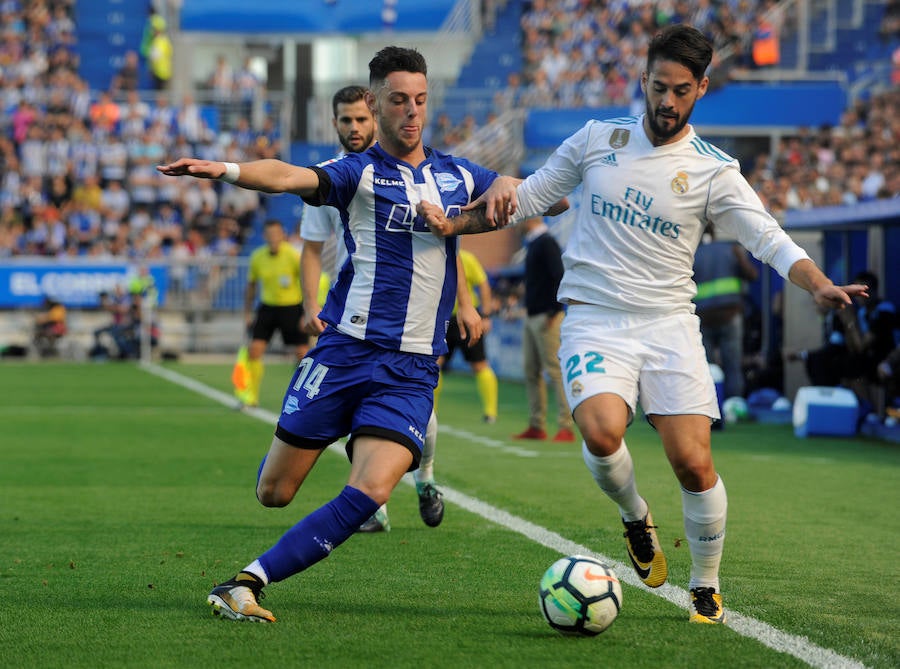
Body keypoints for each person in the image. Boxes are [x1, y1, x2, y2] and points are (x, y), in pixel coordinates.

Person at [418, 24, 868, 625]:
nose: (667, 101)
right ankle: (635, 514)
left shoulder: (713, 169)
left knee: (694, 463)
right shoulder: (596, 139)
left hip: (669, 326)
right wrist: (455, 224)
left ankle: (704, 584)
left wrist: (818, 284)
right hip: (595, 319)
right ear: (643, 80)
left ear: (702, 88)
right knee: (602, 433)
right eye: (659, 86)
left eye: (682, 90)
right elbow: (527, 198)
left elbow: (767, 237)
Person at [157, 45, 492, 623]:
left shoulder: (460, 173)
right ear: (375, 104)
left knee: (373, 489)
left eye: (419, 100)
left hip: (411, 368)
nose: (411, 112)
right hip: (343, 351)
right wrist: (230, 170)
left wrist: (524, 193)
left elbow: (532, 193)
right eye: (397, 101)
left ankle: (245, 583)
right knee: (274, 493)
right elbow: (289, 177)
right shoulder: (357, 171)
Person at [299, 84, 445, 533]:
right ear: (335, 123)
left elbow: (442, 246)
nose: (354, 128)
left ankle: (425, 477)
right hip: (353, 313)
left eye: (362, 119)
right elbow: (311, 248)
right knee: (354, 407)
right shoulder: (331, 176)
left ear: (377, 117)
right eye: (346, 120)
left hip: (410, 312)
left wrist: (469, 306)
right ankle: (373, 503)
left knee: (421, 410)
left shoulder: (421, 173)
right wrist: (311, 303)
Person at [513, 216, 574, 442]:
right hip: (533, 315)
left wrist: (553, 311)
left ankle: (565, 426)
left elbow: (559, 276)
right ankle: (537, 424)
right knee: (532, 371)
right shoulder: (535, 243)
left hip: (546, 316)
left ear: (530, 218)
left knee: (555, 371)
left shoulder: (546, 242)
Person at [240, 218, 310, 408]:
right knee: (254, 350)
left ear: (282, 235)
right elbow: (252, 285)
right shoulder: (257, 256)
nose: (273, 237)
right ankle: (250, 398)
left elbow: (306, 281)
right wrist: (247, 312)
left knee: (303, 354)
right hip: (267, 308)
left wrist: (307, 311)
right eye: (269, 234)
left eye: (276, 233)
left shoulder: (293, 255)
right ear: (265, 236)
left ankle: (304, 400)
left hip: (292, 308)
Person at [692, 223, 759, 399]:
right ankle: (733, 405)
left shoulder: (692, 254)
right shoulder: (732, 250)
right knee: (732, 365)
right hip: (731, 315)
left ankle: (708, 406)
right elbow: (753, 275)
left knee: (706, 368)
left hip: (703, 318)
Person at [436, 248, 499, 424]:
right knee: (434, 364)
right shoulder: (436, 254)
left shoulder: (465, 258)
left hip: (466, 318)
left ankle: (490, 412)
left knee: (479, 365)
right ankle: (431, 412)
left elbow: (483, 284)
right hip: (441, 317)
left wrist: (486, 315)